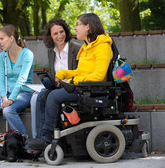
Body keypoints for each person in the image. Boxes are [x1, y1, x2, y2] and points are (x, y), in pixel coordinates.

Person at [29, 13, 113, 150]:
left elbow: (98, 76)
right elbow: (80, 71)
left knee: (54, 96)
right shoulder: (88, 47)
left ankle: (47, 138)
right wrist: (63, 74)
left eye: (78, 24)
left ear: (88, 27)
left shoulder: (103, 47)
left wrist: (73, 80)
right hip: (82, 86)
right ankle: (42, 137)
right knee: (44, 94)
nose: (75, 28)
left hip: (90, 90)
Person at [0, 24, 34, 137]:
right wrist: (4, 97)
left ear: (11, 38)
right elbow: (1, 79)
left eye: (2, 39)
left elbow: (22, 79)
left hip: (23, 93)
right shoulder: (2, 56)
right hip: (5, 93)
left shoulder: (27, 54)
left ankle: (25, 142)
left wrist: (11, 99)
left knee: (8, 111)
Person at [30, 18, 81, 139]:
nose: (60, 36)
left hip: (73, 87)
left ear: (66, 32)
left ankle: (48, 137)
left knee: (52, 96)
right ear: (50, 37)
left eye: (61, 31)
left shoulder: (76, 48)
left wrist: (67, 80)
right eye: (55, 33)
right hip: (58, 87)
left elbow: (81, 72)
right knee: (40, 96)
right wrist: (48, 80)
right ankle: (39, 137)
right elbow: (53, 74)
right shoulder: (51, 51)